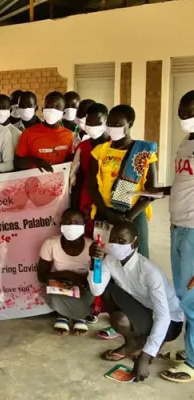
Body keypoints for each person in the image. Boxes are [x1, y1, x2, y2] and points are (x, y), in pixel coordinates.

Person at [89, 221, 184, 382]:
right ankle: (132, 344)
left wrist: (145, 357)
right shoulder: (110, 260)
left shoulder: (149, 271)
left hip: (170, 322)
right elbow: (96, 289)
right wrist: (94, 261)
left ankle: (146, 345)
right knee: (108, 292)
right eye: (113, 240)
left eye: (122, 241)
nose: (116, 245)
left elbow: (163, 316)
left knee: (124, 319)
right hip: (144, 309)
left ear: (135, 243)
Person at [151, 91, 194, 383]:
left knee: (193, 297)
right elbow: (185, 182)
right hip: (178, 226)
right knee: (184, 295)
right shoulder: (185, 143)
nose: (183, 117)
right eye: (180, 111)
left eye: (188, 112)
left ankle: (192, 363)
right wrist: (162, 191)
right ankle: (190, 351)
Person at [88, 104, 157, 258]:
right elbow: (91, 186)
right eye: (110, 124)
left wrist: (129, 217)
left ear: (130, 124)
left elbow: (152, 189)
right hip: (104, 211)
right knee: (103, 255)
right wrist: (107, 213)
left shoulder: (144, 151)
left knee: (137, 257)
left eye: (118, 125)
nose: (112, 128)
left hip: (134, 213)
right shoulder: (100, 151)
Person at [38, 209, 94, 336]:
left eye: (76, 222)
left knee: (91, 288)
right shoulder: (51, 244)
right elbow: (41, 276)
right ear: (61, 225)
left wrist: (80, 280)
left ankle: (79, 316)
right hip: (60, 284)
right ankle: (63, 315)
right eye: (67, 222)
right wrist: (67, 275)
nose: (72, 225)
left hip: (83, 284)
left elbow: (97, 278)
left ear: (84, 225)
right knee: (50, 287)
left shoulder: (92, 246)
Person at [71, 103, 110, 237]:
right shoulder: (82, 147)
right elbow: (76, 176)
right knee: (87, 234)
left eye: (96, 122)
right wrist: (74, 205)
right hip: (86, 196)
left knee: (105, 236)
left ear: (106, 122)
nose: (92, 126)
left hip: (107, 197)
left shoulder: (114, 145)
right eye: (89, 122)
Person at [14, 91, 74, 173]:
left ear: (63, 113)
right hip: (35, 181)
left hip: (59, 182)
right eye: (49, 107)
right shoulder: (28, 133)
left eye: (57, 107)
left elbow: (68, 162)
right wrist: (35, 161)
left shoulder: (69, 135)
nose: (52, 110)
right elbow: (17, 162)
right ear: (43, 110)